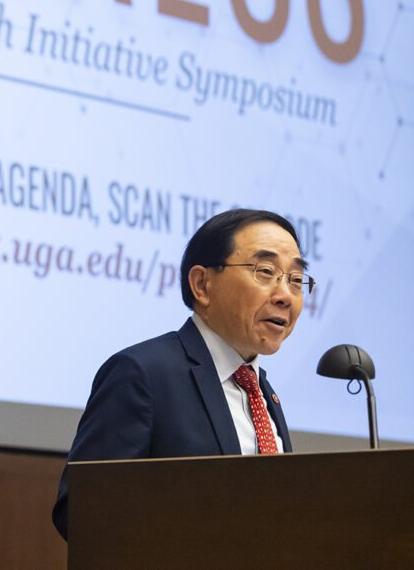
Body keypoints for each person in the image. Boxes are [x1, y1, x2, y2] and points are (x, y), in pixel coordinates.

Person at [51, 208, 311, 539]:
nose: (286, 296)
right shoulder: (143, 374)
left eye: (296, 280)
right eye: (265, 271)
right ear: (202, 284)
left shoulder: (263, 393)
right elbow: (82, 511)